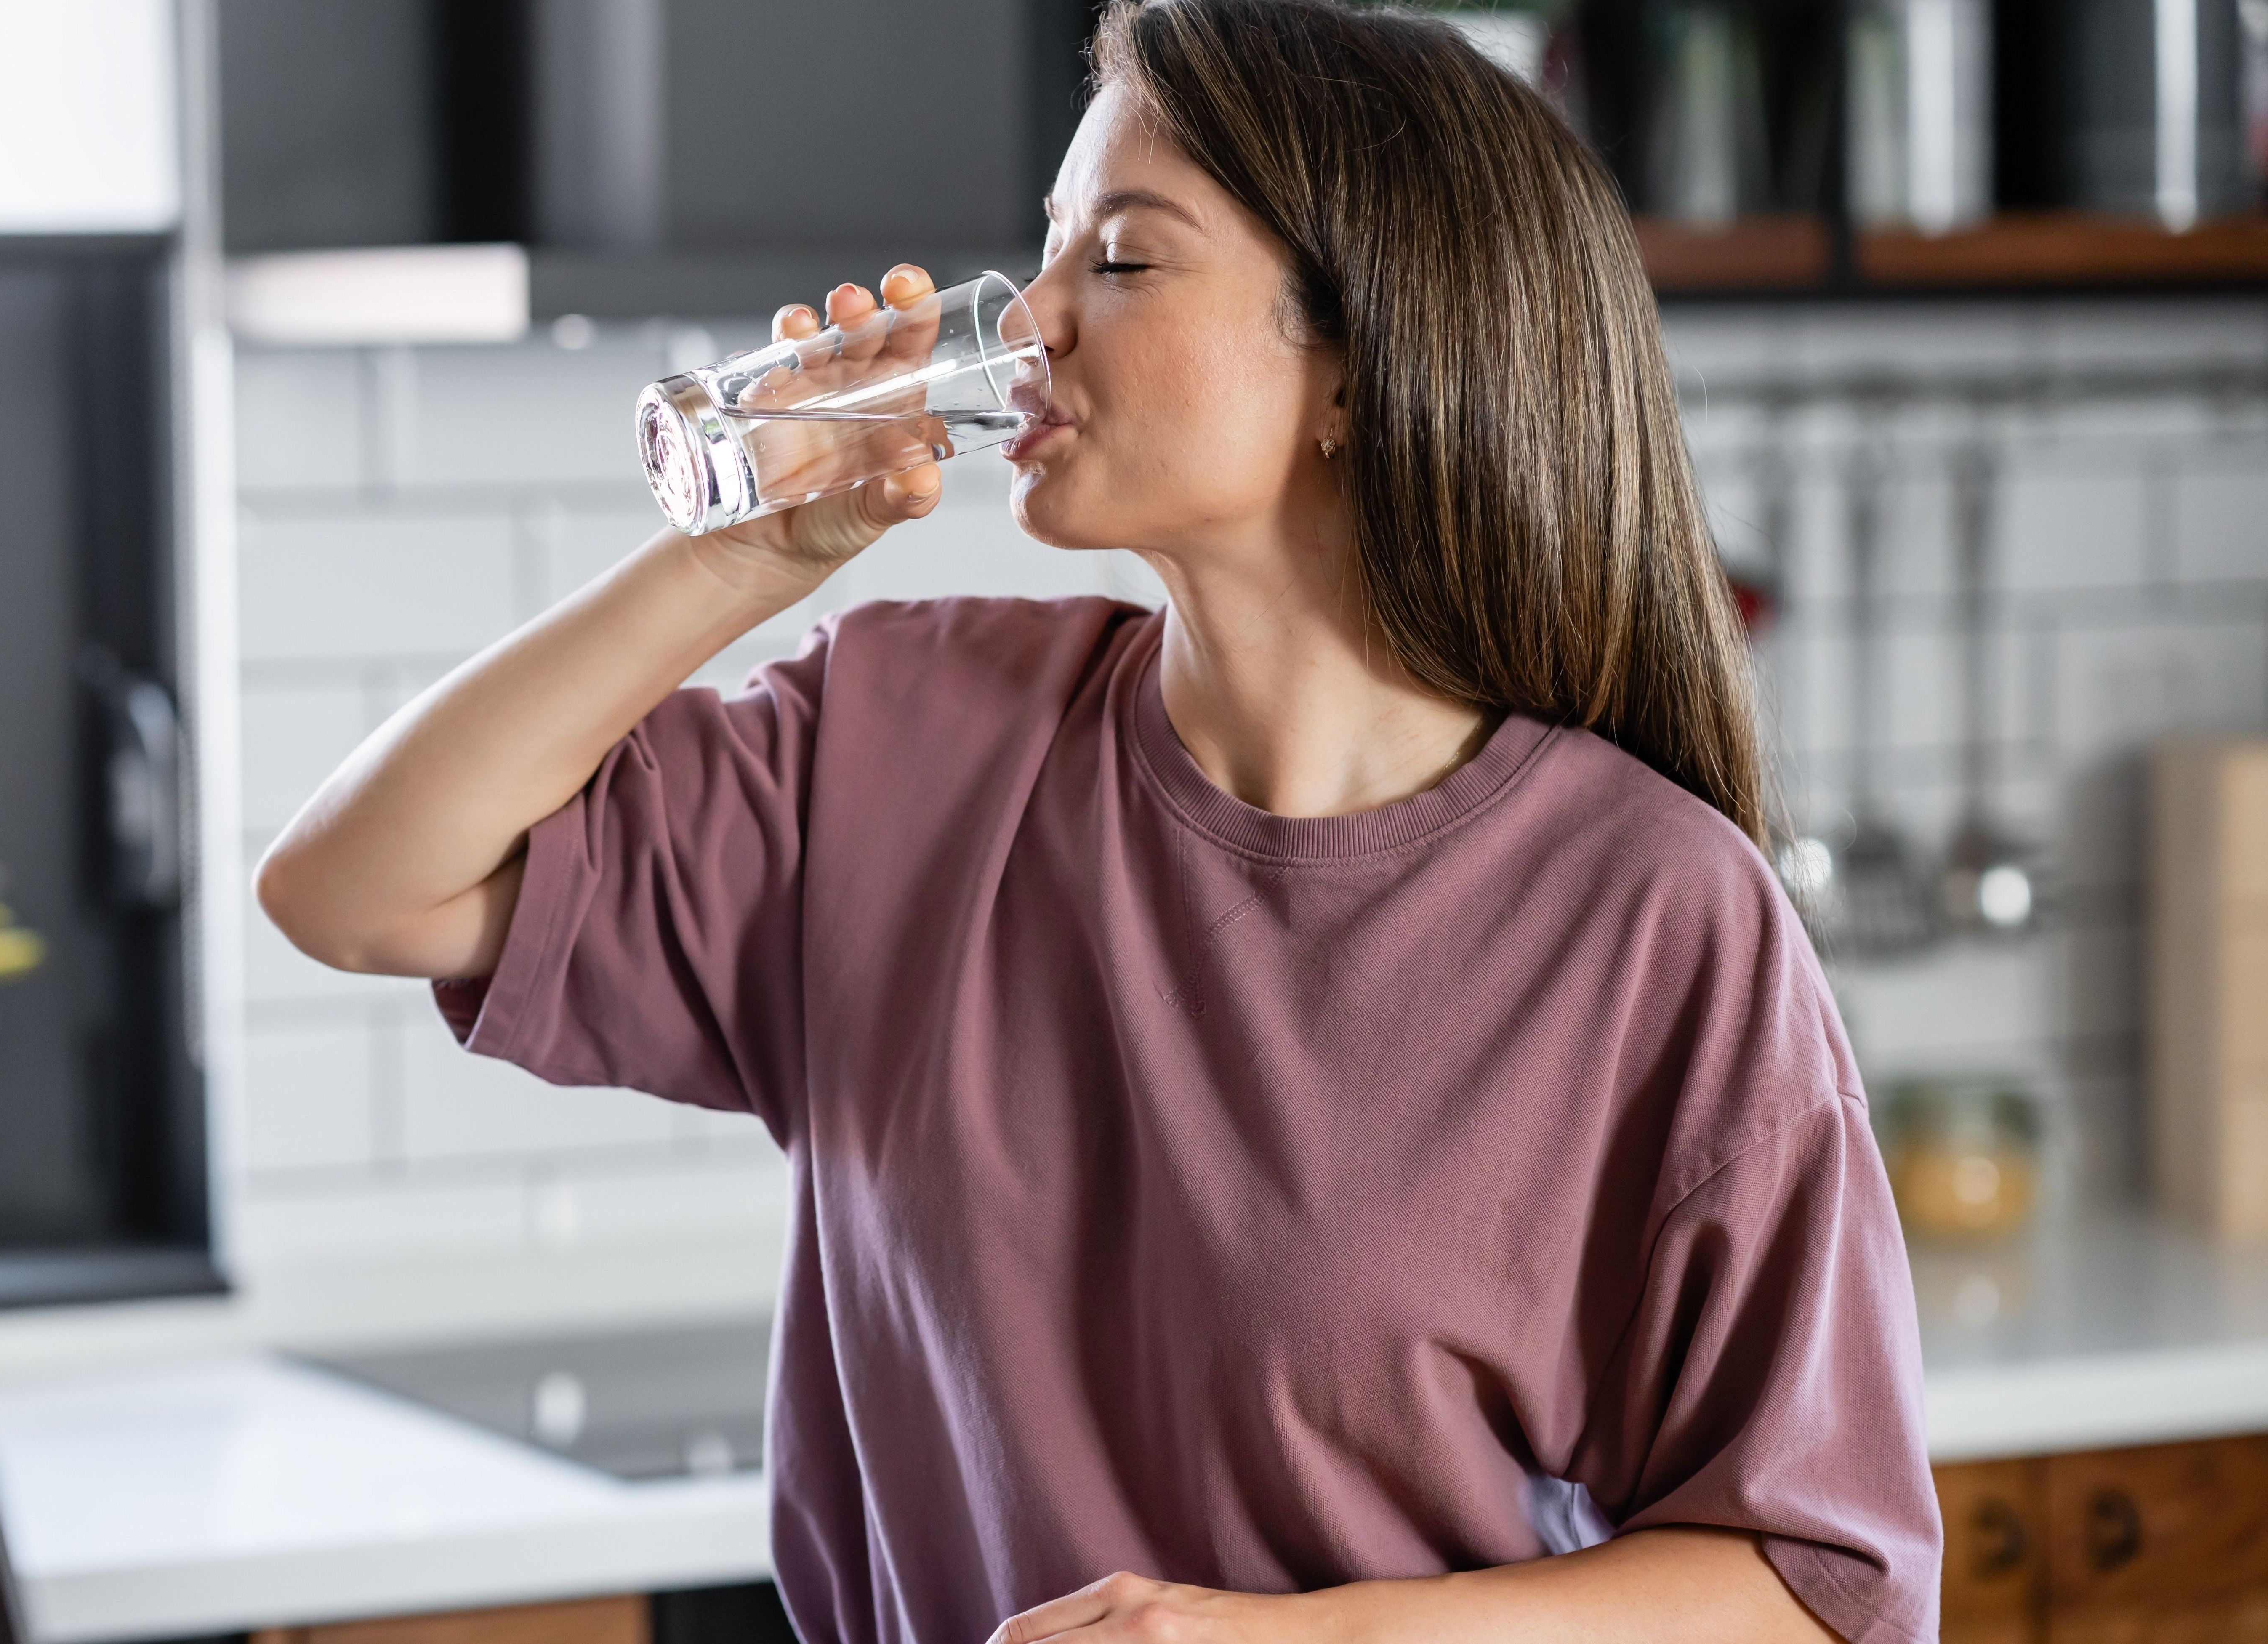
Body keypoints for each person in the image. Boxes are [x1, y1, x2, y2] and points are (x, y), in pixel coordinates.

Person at [254, 0, 1943, 1639]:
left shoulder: (1649, 915)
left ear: (1357, 369)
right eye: (1049, 245)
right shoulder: (903, 742)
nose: (1031, 317)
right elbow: (355, 887)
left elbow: (1823, 1588)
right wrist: (739, 557)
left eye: (1121, 260)